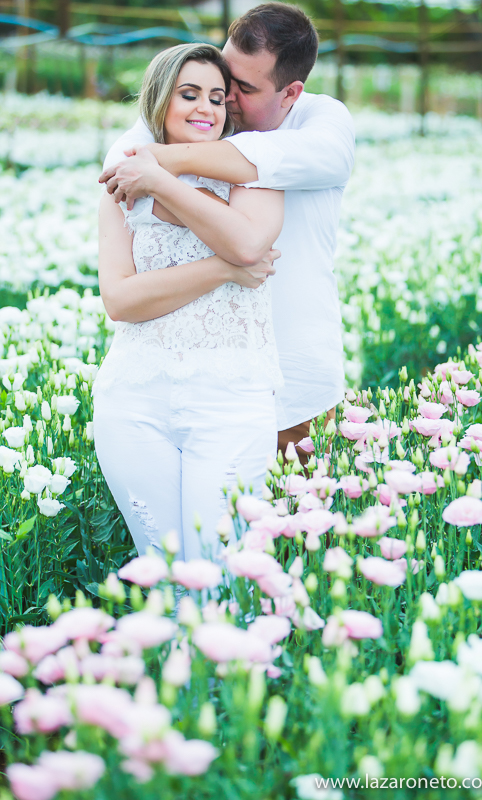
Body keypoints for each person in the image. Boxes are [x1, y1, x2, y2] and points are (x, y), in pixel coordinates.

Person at [100, 3, 356, 463]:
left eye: (244, 88)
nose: (225, 97)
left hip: (295, 384)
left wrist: (163, 163)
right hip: (205, 384)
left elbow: (270, 158)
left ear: (291, 92)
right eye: (225, 77)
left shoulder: (323, 120)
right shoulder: (207, 113)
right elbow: (120, 165)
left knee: (299, 509)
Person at [94, 42, 284, 560]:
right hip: (134, 397)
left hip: (231, 398)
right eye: (190, 94)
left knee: (219, 573)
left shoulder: (255, 169)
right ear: (160, 100)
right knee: (163, 571)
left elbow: (247, 245)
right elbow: (120, 299)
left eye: (218, 98)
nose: (207, 108)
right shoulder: (122, 179)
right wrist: (222, 270)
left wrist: (159, 180)